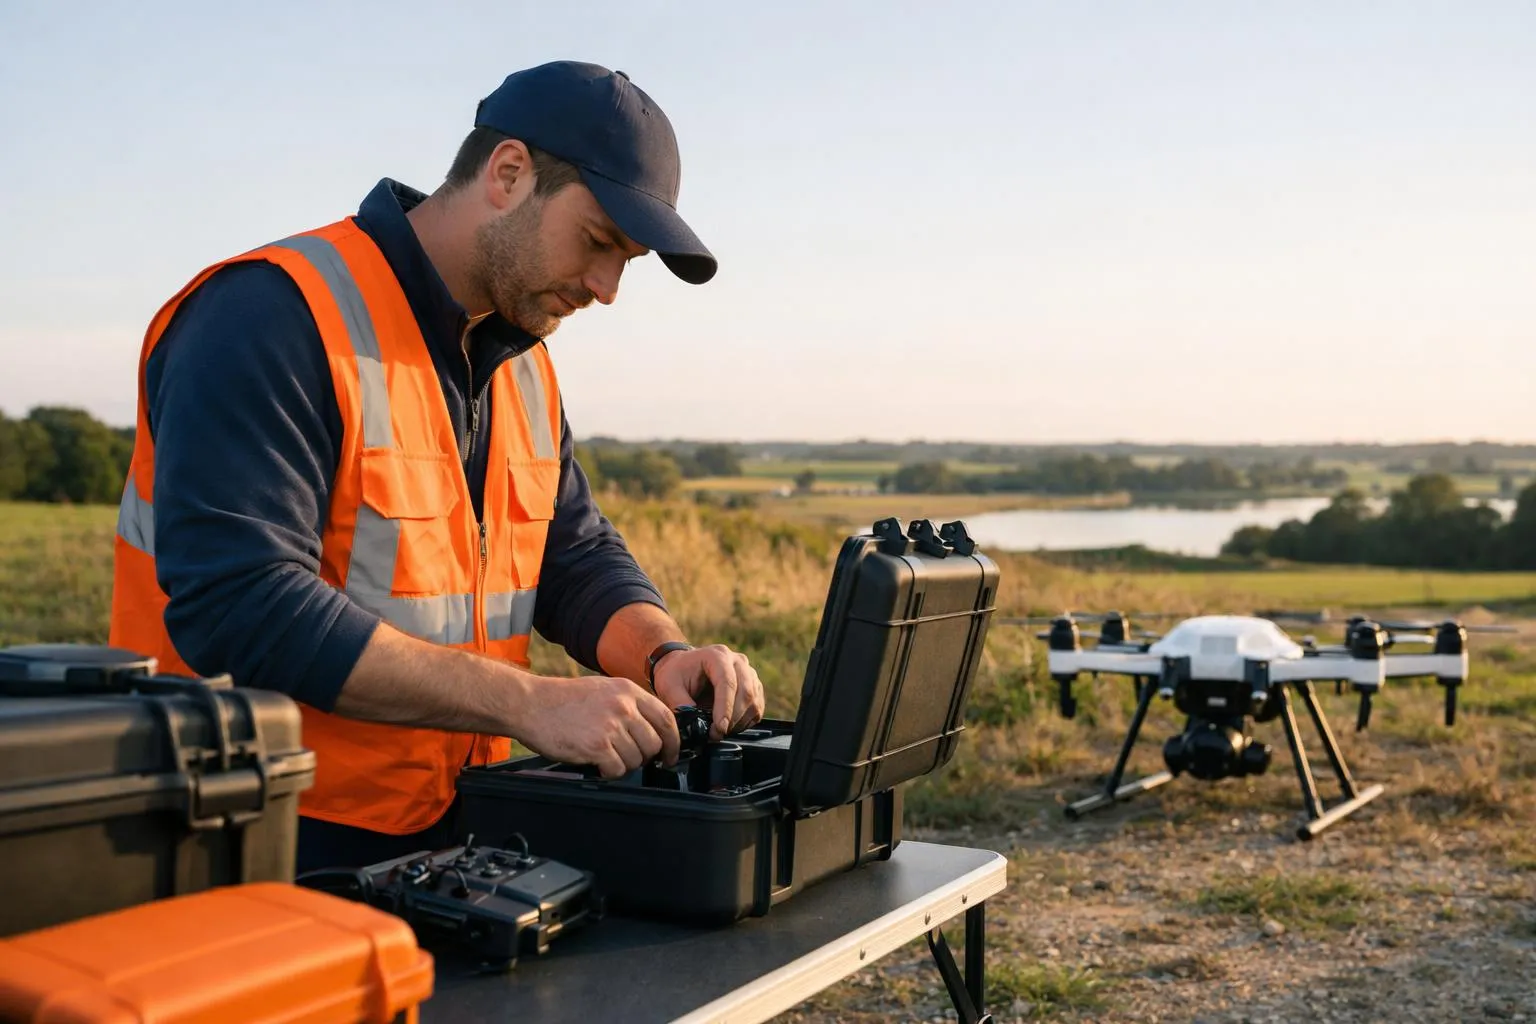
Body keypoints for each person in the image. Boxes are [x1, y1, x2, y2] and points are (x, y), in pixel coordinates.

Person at [108, 60, 766, 871]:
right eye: (598, 243)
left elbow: (570, 552)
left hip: (457, 838)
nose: (606, 289)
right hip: (259, 836)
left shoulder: (521, 360)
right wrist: (529, 704)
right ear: (508, 173)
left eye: (624, 261)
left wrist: (663, 654)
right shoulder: (268, 316)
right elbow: (241, 602)